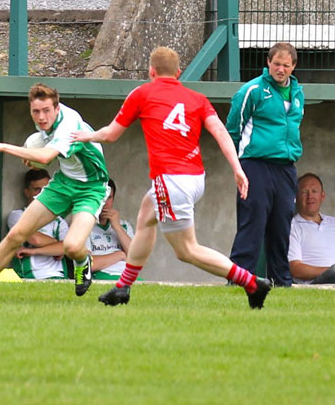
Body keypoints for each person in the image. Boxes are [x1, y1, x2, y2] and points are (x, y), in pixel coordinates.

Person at [72, 46, 272, 310]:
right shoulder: (197, 98)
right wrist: (237, 168)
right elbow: (221, 133)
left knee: (186, 250)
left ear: (150, 71)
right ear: (179, 73)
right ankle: (123, 287)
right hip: (195, 178)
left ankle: (252, 283)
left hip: (171, 180)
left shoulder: (142, 93)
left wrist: (85, 136)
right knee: (146, 217)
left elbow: (110, 135)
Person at [0, 83, 110, 302]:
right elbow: (41, 150)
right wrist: (31, 154)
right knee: (16, 235)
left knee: (72, 246)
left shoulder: (69, 126)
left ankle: (82, 262)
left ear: (57, 108)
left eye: (46, 111)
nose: (41, 117)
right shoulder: (47, 127)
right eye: (36, 111)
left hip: (91, 189)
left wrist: (2, 146)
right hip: (63, 183)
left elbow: (45, 158)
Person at [226, 42, 304, 287]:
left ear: (293, 67)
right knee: (253, 223)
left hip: (285, 167)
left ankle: (282, 282)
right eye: (276, 64)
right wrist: (238, 167)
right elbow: (233, 129)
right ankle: (239, 280)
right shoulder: (253, 90)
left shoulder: (298, 93)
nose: (280, 69)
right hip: (255, 164)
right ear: (268, 63)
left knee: (282, 225)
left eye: (286, 65)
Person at [8, 168, 69, 280]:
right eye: (37, 189)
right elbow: (35, 239)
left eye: (45, 189)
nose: (42, 194)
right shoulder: (17, 215)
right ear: (27, 192)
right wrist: (56, 244)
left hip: (59, 276)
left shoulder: (60, 221)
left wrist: (32, 251)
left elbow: (67, 247)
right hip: (30, 276)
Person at [88, 178, 135, 280]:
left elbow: (135, 257)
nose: (105, 203)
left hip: (127, 274)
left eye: (109, 198)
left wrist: (117, 227)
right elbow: (88, 265)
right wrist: (120, 255)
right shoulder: (85, 226)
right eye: (102, 198)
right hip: (102, 274)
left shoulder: (124, 225)